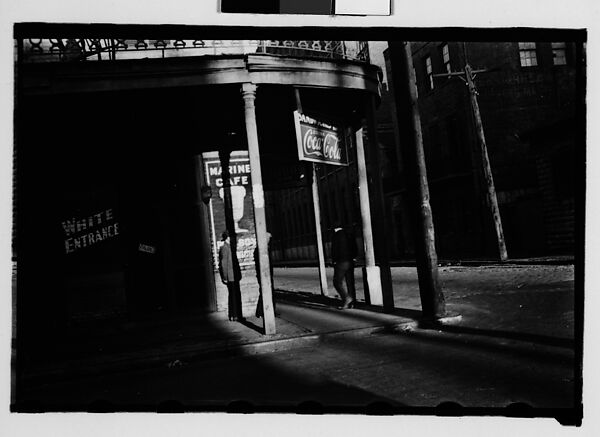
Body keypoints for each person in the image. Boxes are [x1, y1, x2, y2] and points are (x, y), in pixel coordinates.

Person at [331, 221, 357, 310]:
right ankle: (353, 303)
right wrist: (353, 257)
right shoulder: (349, 234)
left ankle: (346, 298)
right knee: (350, 283)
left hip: (341, 262)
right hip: (350, 261)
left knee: (337, 282)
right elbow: (355, 247)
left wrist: (334, 260)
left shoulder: (336, 236)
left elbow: (335, 249)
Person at [219, 230, 241, 321]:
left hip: (233, 276)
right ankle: (234, 315)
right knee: (233, 296)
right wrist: (225, 277)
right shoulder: (225, 248)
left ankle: (234, 315)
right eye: (231, 237)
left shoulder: (229, 247)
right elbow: (224, 263)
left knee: (234, 296)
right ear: (228, 238)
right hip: (230, 276)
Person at [254, 232, 276, 318]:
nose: (269, 241)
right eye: (268, 239)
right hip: (264, 274)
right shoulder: (261, 250)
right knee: (265, 292)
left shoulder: (265, 249)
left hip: (266, 274)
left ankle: (262, 311)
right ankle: (261, 311)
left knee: (266, 292)